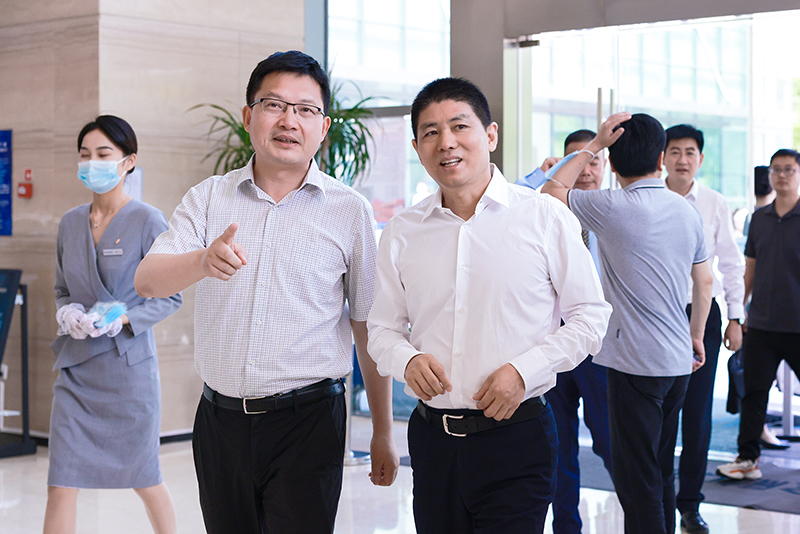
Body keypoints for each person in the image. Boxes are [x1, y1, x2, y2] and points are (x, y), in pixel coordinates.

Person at [134, 50, 399, 534]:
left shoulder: (349, 211)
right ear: (248, 116)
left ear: (324, 126)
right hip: (220, 422)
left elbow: (367, 325)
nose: (289, 121)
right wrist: (201, 261)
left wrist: (382, 430)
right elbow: (147, 280)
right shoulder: (208, 198)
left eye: (306, 109)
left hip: (309, 421)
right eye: (274, 105)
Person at [367, 77, 612, 534]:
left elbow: (590, 317)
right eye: (431, 132)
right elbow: (381, 329)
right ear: (418, 148)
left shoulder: (544, 216)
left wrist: (523, 371)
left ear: (491, 135)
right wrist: (407, 360)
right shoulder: (402, 231)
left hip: (518, 437)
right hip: (433, 439)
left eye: (460, 126)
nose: (446, 142)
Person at [542, 112, 714, 534]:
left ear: (613, 165)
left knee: (639, 482)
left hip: (633, 365)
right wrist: (695, 334)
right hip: (677, 361)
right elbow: (705, 280)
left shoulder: (610, 206)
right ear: (660, 159)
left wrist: (596, 144)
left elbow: (550, 191)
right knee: (660, 466)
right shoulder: (686, 210)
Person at [44, 115, 182, 534]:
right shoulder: (70, 223)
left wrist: (123, 317)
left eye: (104, 154)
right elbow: (62, 289)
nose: (93, 163)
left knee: (145, 478)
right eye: (85, 154)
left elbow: (170, 296)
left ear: (128, 161)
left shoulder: (148, 220)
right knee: (60, 482)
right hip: (76, 372)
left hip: (128, 375)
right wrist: (67, 313)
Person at [518, 129, 613, 534]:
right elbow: (511, 199)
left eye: (593, 160)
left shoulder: (613, 210)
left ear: (605, 166)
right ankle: (567, 528)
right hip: (552, 345)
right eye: (576, 159)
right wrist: (540, 177)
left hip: (602, 350)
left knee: (611, 442)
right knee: (558, 449)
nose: (586, 169)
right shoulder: (541, 208)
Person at [663, 124, 745, 534]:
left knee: (697, 414)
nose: (682, 159)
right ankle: (660, 500)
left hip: (702, 312)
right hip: (657, 316)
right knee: (661, 413)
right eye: (675, 151)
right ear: (662, 157)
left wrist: (735, 317)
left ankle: (690, 506)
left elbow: (730, 262)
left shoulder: (714, 202)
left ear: (700, 158)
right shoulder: (647, 197)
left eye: (690, 152)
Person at [716, 148, 800, 481]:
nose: (781, 175)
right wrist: (738, 313)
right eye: (776, 169)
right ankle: (747, 460)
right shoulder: (759, 219)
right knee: (753, 394)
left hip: (797, 324)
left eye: (789, 169)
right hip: (761, 324)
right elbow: (749, 269)